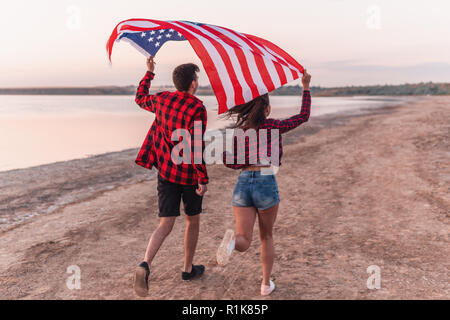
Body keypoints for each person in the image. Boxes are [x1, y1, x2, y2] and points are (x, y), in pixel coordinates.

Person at [216, 70, 312, 296]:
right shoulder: (273, 126)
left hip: (243, 183)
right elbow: (303, 116)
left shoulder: (241, 132)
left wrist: (230, 156)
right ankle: (266, 284)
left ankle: (231, 244)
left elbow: (230, 163)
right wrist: (305, 87)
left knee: (244, 240)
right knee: (266, 237)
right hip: (266, 181)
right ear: (267, 110)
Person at [133, 56, 209, 297]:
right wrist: (202, 178)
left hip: (166, 172)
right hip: (187, 174)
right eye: (197, 78)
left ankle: (145, 263)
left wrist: (149, 72)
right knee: (192, 220)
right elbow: (196, 146)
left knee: (165, 224)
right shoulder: (197, 108)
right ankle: (187, 269)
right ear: (193, 83)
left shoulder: (163, 99)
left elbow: (140, 98)